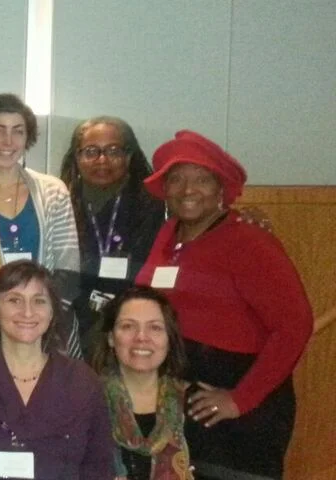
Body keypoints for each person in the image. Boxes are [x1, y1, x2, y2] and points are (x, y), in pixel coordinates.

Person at [135, 130, 313, 480]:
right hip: (182, 397)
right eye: (177, 179)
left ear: (221, 189)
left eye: (202, 179)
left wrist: (240, 399)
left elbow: (295, 325)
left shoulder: (248, 241)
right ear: (165, 188)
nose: (188, 189)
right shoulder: (168, 235)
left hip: (235, 403)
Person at [0, 260, 114, 479]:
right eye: (14, 300)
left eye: (39, 301)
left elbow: (99, 467)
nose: (27, 312)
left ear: (52, 313)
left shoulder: (83, 382)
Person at [0, 93, 83, 359]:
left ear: (27, 137)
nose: (8, 141)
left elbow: (68, 269)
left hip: (49, 326)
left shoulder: (53, 191)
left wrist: (41, 318)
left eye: (17, 131)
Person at [59, 117, 165, 357]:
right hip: (73, 321)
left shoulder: (153, 205)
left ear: (129, 156)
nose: (102, 160)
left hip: (133, 322)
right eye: (91, 151)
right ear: (76, 157)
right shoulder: (60, 202)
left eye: (113, 151)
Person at [90, 286, 193, 480]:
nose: (141, 337)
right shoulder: (84, 401)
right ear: (111, 338)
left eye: (155, 327)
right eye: (128, 326)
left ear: (169, 339)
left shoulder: (194, 405)